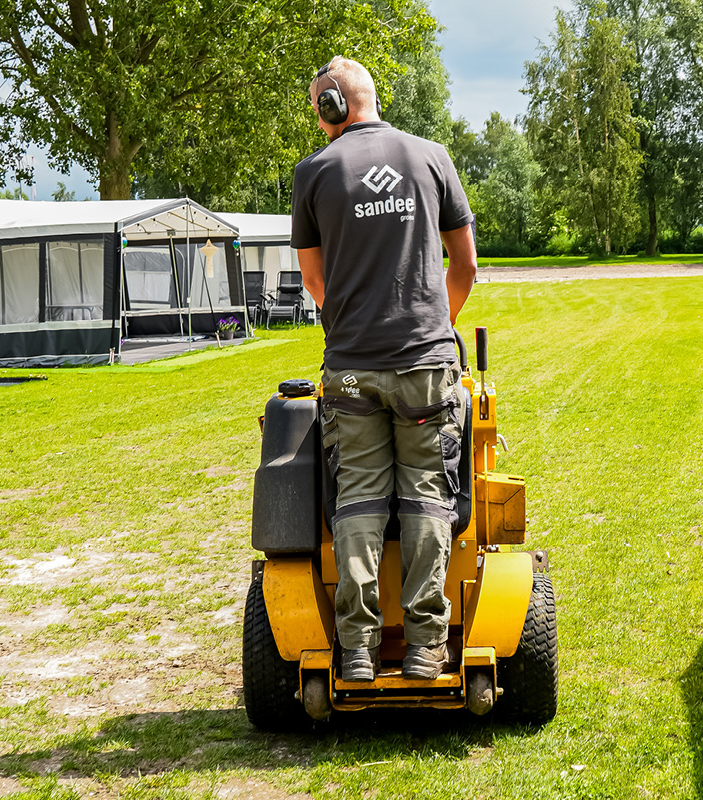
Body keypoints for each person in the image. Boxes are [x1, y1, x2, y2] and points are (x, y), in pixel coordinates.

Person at [290, 56, 478, 682]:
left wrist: (349, 326)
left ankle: (359, 651)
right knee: (427, 494)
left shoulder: (313, 173)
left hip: (350, 372)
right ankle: (427, 648)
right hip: (427, 364)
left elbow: (313, 279)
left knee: (359, 499)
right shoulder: (432, 156)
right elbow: (466, 266)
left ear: (330, 107)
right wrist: (432, 325)